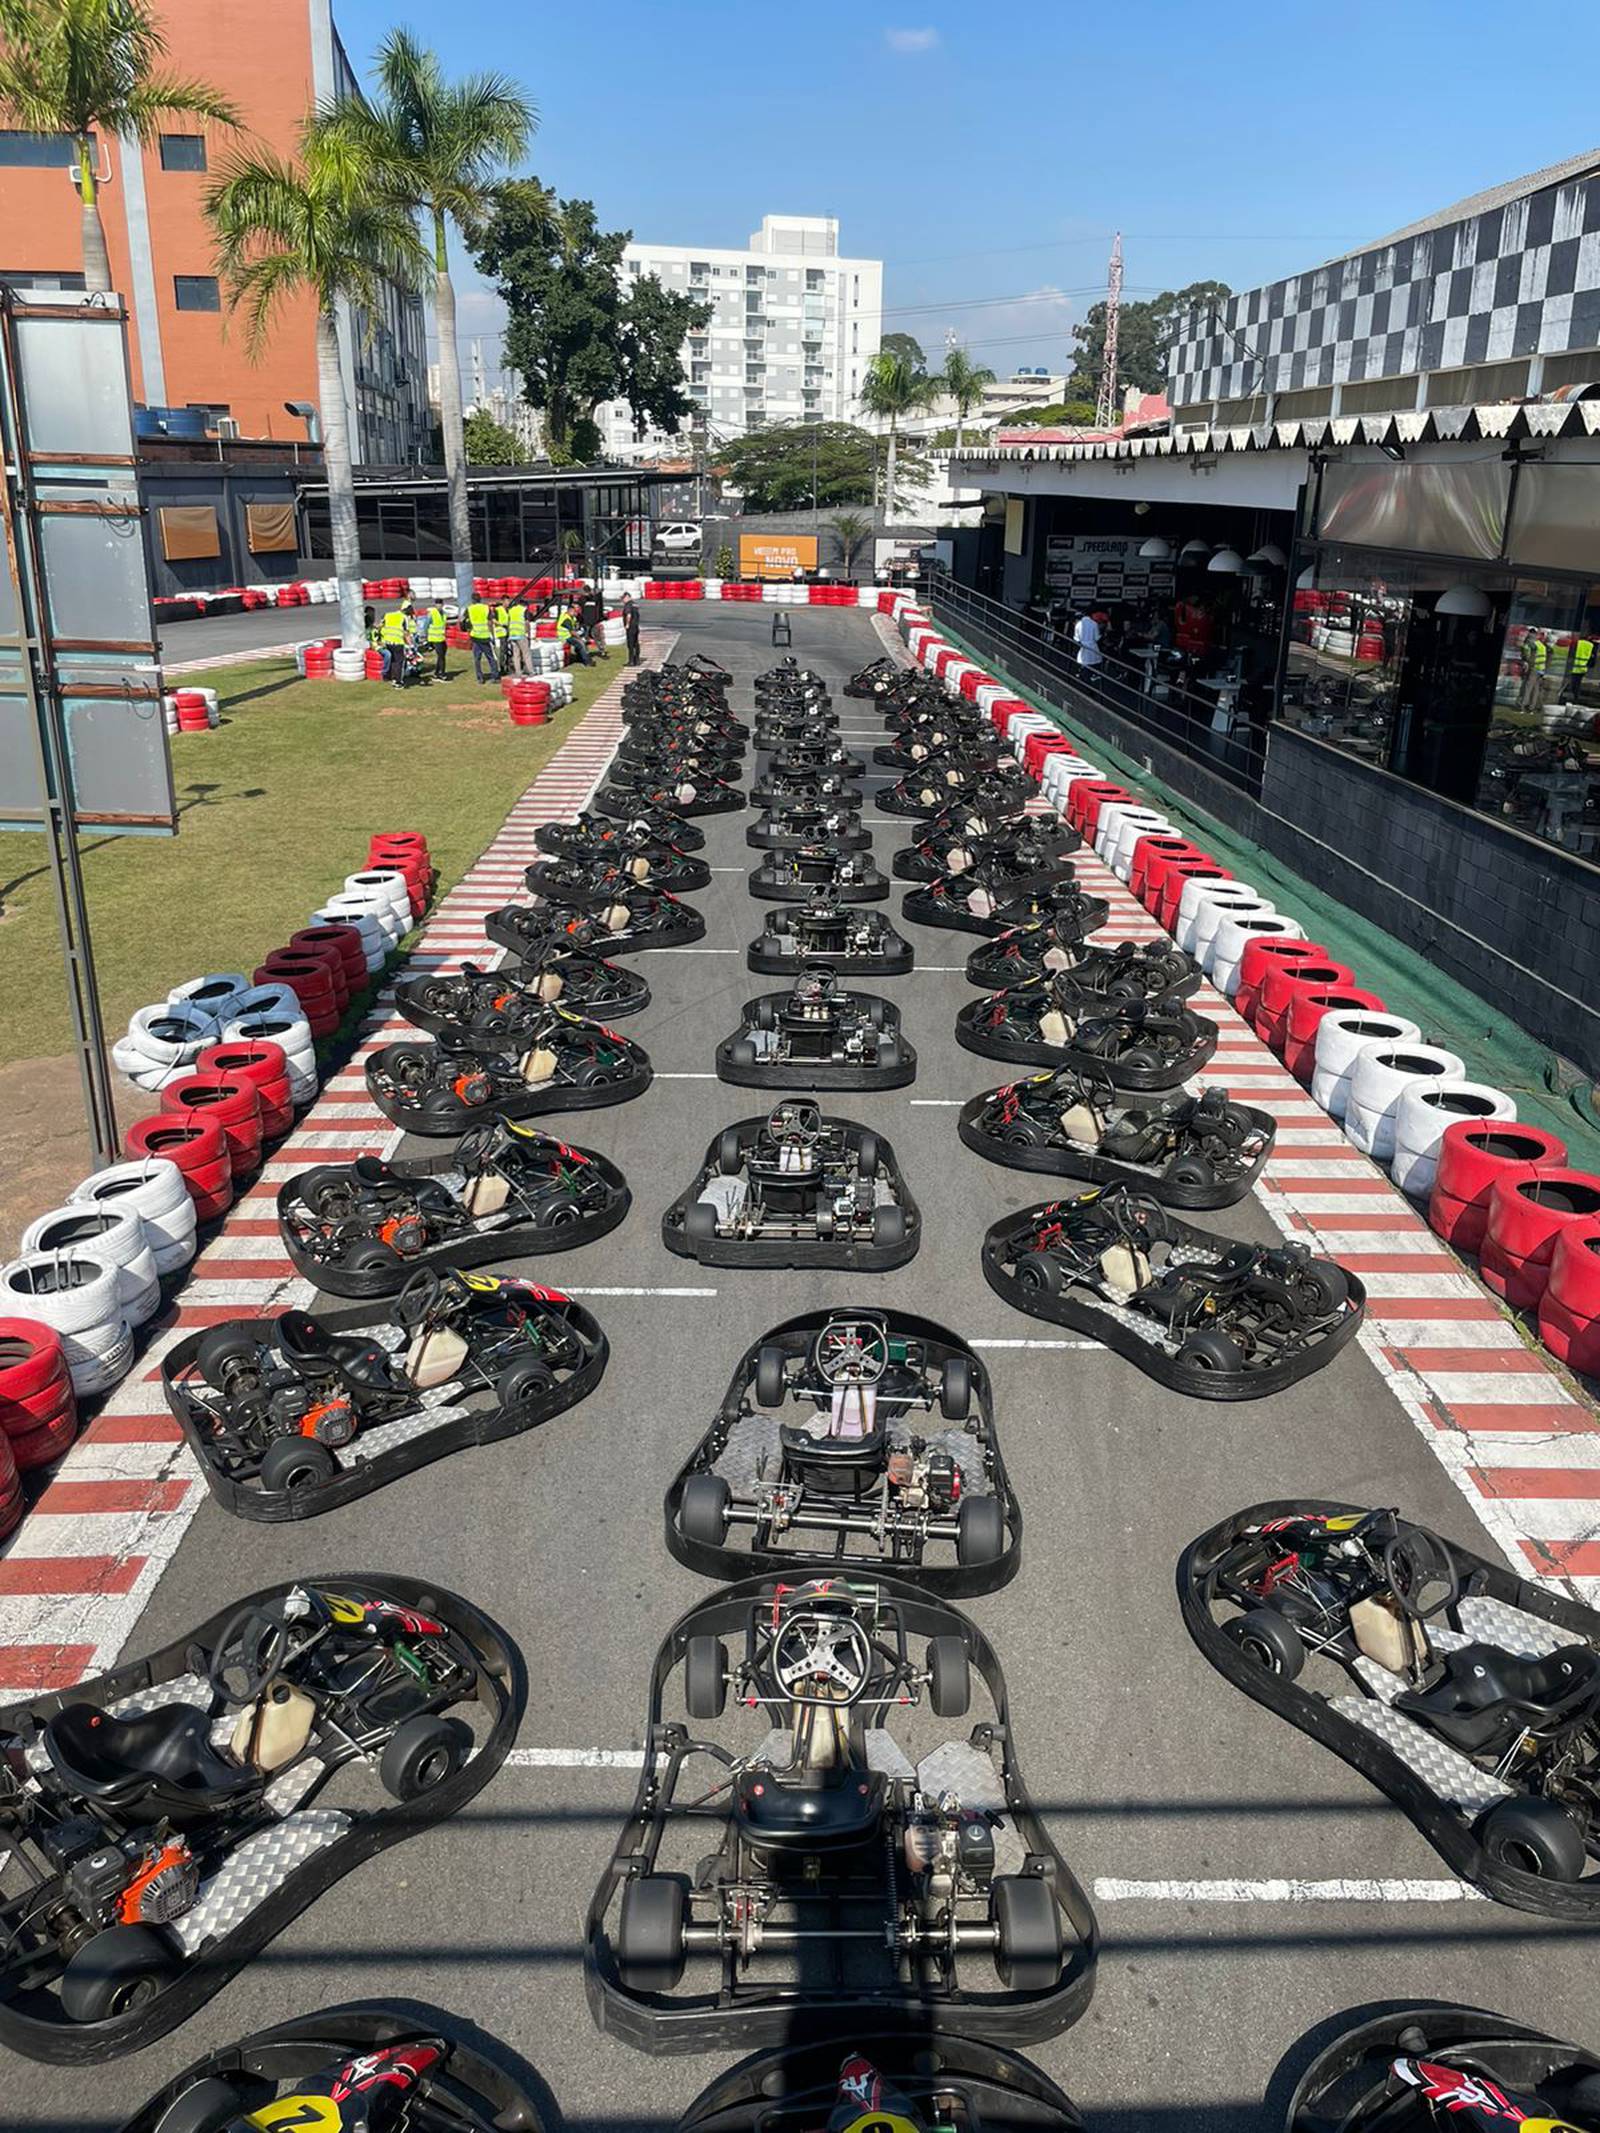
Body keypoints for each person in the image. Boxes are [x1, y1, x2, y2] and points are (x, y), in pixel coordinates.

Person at [466, 592, 496, 684]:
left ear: (472, 600)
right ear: (480, 599)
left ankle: (480, 678)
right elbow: (490, 622)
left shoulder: (469, 609)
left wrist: (469, 633)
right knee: (491, 657)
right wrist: (493, 635)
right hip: (485, 636)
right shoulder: (486, 608)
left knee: (477, 658)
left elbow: (466, 622)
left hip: (475, 636)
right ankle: (495, 676)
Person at [378, 601, 409, 684]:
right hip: (398, 642)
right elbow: (406, 633)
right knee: (399, 662)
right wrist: (410, 645)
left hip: (387, 641)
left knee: (392, 660)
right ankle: (398, 681)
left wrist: (380, 639)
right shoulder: (404, 617)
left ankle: (391, 677)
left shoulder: (388, 615)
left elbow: (380, 626)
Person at [504, 594, 531, 676]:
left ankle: (518, 672)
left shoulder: (511, 610)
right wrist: (528, 633)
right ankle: (531, 672)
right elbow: (527, 623)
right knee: (526, 654)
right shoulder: (524, 610)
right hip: (521, 634)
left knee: (516, 655)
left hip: (512, 635)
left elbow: (509, 623)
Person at [425, 596, 448, 680]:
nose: (439, 606)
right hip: (434, 638)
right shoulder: (432, 613)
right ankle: (442, 674)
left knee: (442, 655)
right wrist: (426, 637)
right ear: (435, 605)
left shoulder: (444, 613)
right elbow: (426, 625)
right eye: (437, 605)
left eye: (440, 605)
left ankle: (437, 673)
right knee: (441, 656)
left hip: (441, 637)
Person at [1073, 608, 1103, 673]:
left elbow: (1076, 638)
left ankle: (1081, 672)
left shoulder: (1078, 624)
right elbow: (1097, 637)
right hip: (1093, 646)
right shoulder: (1094, 623)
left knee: (1083, 660)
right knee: (1094, 661)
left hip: (1083, 646)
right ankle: (1093, 674)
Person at [621, 591, 641, 665]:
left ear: (627, 597)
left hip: (631, 627)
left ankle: (631, 661)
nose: (623, 600)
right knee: (636, 643)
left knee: (630, 644)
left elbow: (628, 615)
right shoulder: (635, 604)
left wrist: (627, 624)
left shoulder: (628, 605)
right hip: (636, 626)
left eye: (623, 598)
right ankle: (637, 660)